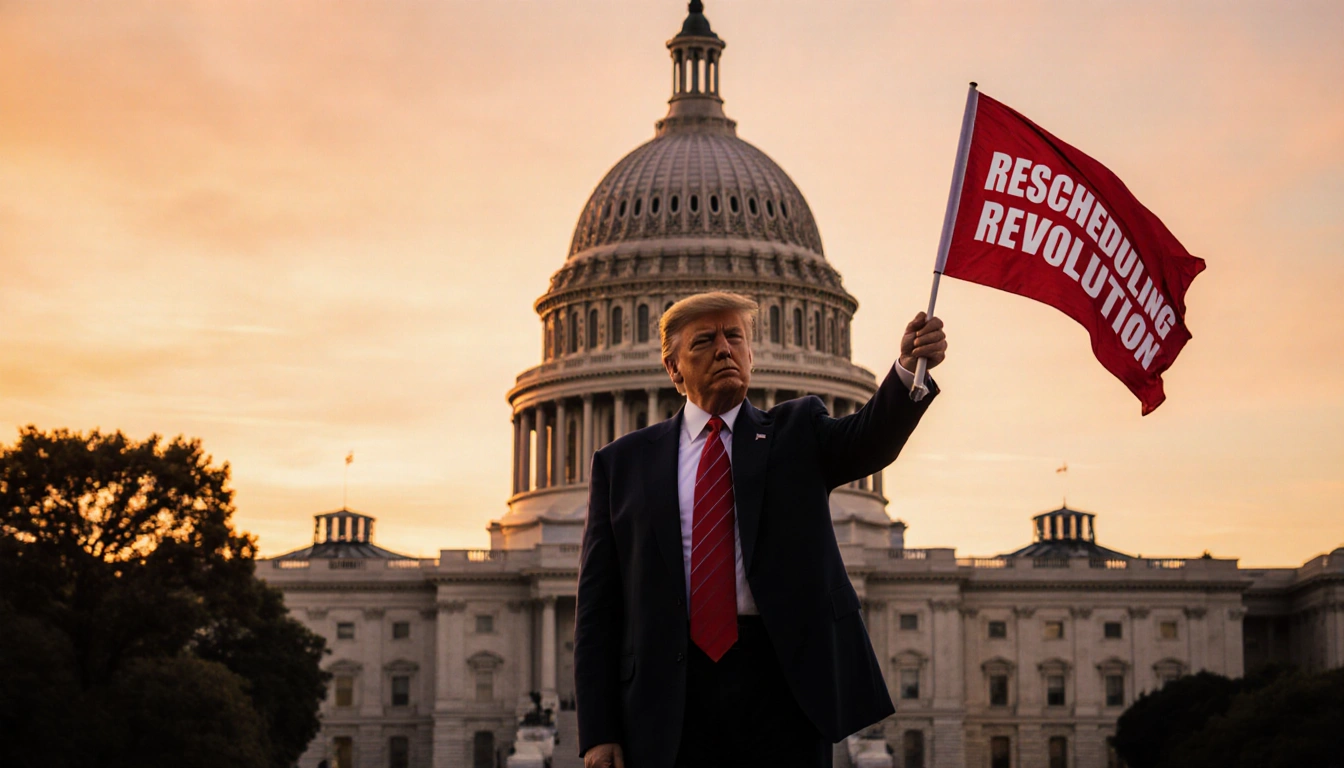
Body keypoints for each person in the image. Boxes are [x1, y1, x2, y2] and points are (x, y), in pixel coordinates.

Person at [574, 292, 946, 768]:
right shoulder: (621, 463)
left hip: (782, 684)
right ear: (673, 369)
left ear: (751, 353)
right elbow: (597, 611)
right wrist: (598, 732)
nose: (724, 349)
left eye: (735, 337)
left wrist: (908, 369)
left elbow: (869, 440)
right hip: (666, 691)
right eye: (705, 340)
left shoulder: (797, 431)